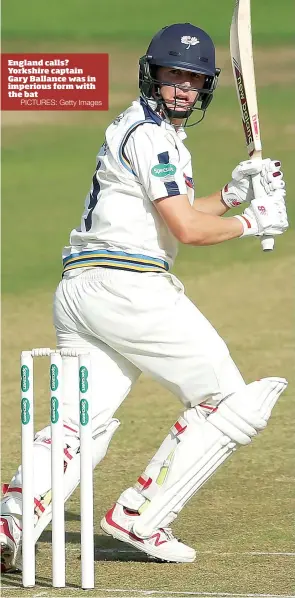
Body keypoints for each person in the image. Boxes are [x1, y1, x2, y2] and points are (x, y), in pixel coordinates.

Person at [1, 22, 288, 571]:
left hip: (82, 291)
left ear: (204, 88)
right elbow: (185, 230)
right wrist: (255, 220)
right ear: (151, 75)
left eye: (193, 79)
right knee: (228, 401)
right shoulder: (151, 137)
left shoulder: (144, 131)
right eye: (173, 76)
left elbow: (174, 214)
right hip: (127, 287)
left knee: (79, 421)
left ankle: (10, 521)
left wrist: (231, 196)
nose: (181, 88)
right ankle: (141, 516)